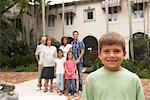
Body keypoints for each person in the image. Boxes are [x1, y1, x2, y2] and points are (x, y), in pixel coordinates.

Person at [81, 32, 145, 100]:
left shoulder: (133, 80)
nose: (111, 55)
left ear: (124, 54)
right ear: (99, 55)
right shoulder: (92, 79)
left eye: (116, 51)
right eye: (106, 51)